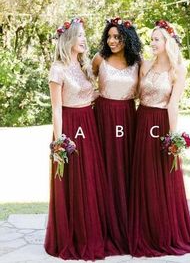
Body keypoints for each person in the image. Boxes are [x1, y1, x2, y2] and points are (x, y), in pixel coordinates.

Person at [129, 20, 190, 257]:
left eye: (157, 39)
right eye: (151, 39)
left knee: (162, 177)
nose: (152, 43)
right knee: (142, 176)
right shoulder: (145, 65)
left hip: (161, 122)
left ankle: (165, 232)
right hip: (141, 120)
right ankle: (143, 230)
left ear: (167, 42)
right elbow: (134, 96)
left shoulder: (178, 70)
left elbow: (173, 105)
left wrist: (173, 137)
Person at [44, 18, 107, 260]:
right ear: (68, 39)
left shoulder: (82, 66)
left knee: (90, 178)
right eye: (79, 35)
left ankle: (92, 232)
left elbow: (92, 95)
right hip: (70, 126)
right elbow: (56, 109)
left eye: (84, 35)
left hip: (88, 124)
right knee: (74, 181)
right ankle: (74, 235)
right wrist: (59, 143)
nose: (83, 39)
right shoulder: (57, 69)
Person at [92, 17, 142, 255]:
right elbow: (84, 83)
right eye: (109, 36)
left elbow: (150, 86)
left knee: (126, 168)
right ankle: (103, 225)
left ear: (127, 38)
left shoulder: (138, 62)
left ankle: (127, 224)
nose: (112, 41)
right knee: (104, 168)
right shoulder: (99, 59)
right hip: (102, 116)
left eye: (117, 37)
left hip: (127, 117)